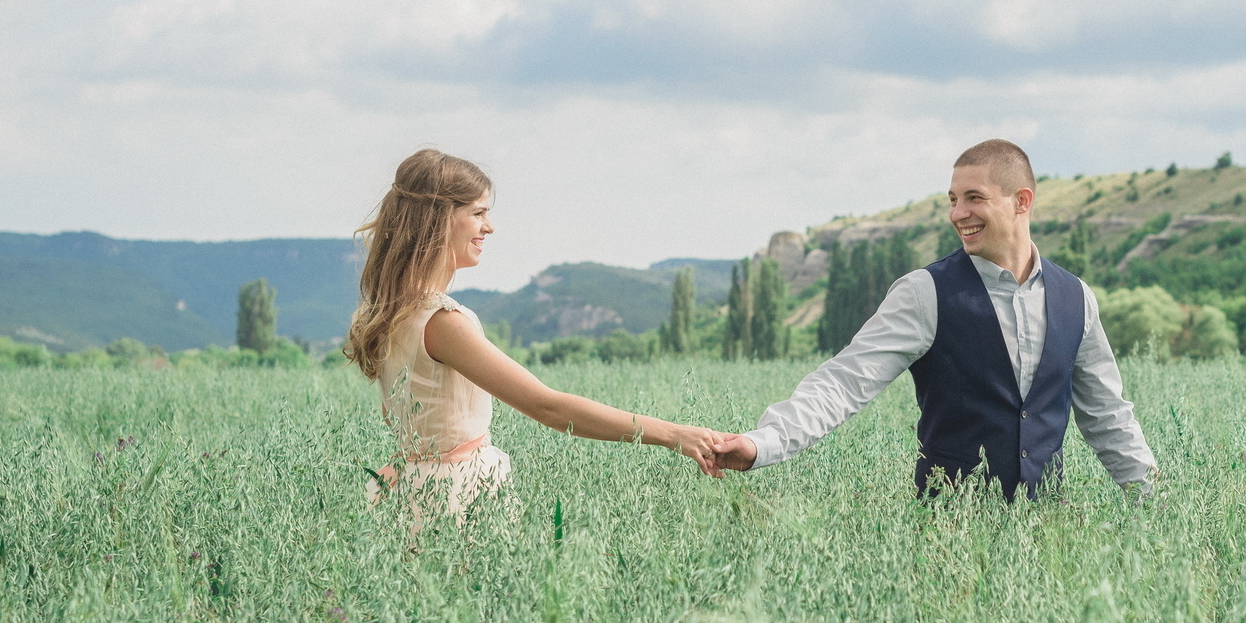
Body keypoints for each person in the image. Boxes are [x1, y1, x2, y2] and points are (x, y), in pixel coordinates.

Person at [714, 139, 1156, 499]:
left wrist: (1158, 509)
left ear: (1021, 201)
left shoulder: (1076, 298)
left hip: (1046, 539)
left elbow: (1108, 416)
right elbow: (845, 382)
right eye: (952, 200)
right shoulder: (924, 293)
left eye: (973, 198)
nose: (957, 213)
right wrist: (763, 444)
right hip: (944, 539)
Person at [345, 149, 725, 519]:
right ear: (439, 221)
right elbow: (549, 407)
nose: (489, 227)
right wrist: (672, 434)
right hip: (455, 497)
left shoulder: (387, 313)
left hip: (410, 490)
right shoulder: (444, 322)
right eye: (478, 213)